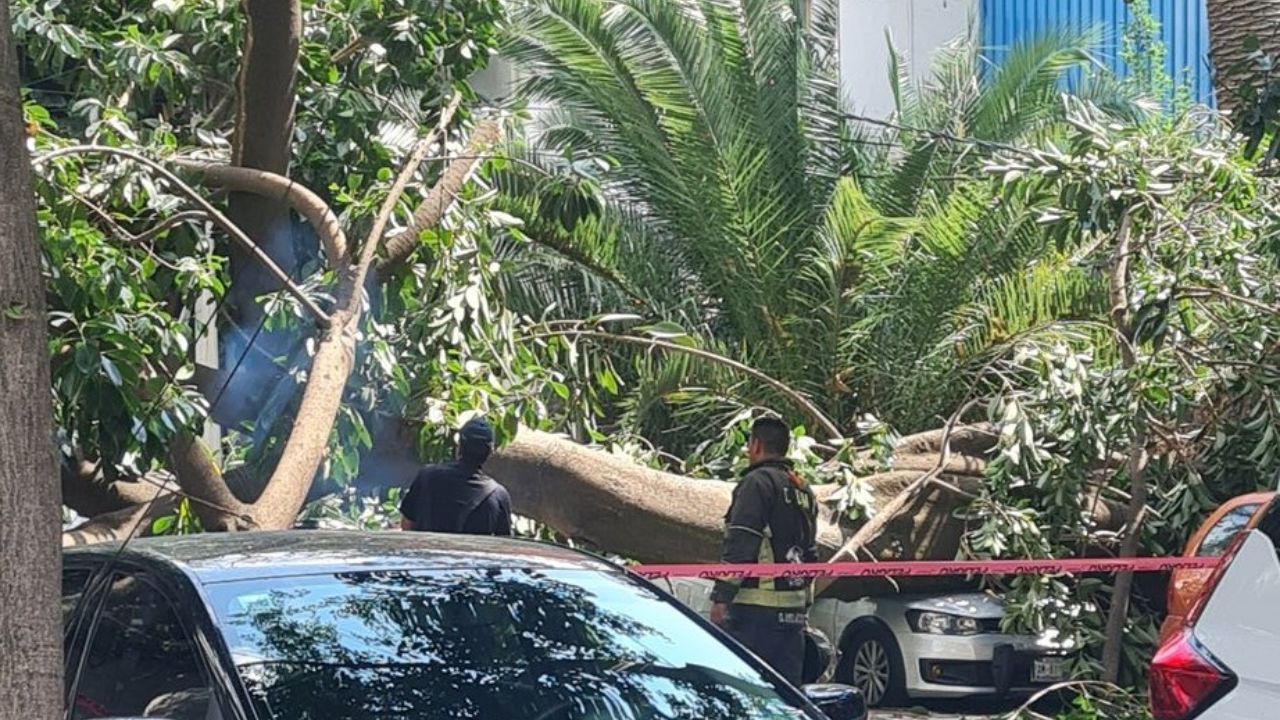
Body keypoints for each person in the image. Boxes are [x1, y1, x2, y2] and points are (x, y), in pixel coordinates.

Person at [709, 416, 818, 685]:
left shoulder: (756, 483)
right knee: (786, 694)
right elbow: (811, 551)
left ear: (756, 445)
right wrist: (804, 603)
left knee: (749, 690)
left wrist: (721, 597)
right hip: (792, 613)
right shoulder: (803, 489)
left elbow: (742, 543)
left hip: (755, 614)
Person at [400, 417, 513, 535]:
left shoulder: (427, 477)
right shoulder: (498, 496)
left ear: (459, 446)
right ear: (490, 451)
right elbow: (502, 544)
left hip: (426, 552)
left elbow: (406, 525)